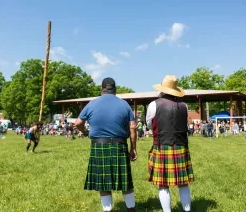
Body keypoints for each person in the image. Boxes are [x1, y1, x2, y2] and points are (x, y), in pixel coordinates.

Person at [75, 77, 137, 212]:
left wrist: (85, 131)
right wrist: (133, 148)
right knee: (125, 182)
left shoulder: (92, 104)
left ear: (101, 89)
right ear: (115, 89)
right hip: (119, 146)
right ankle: (131, 209)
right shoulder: (124, 104)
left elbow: (78, 123)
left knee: (103, 183)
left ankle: (107, 210)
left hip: (99, 147)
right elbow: (132, 127)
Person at [146, 75, 194, 212]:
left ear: (162, 89)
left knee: (163, 184)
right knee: (183, 183)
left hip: (162, 146)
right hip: (181, 145)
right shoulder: (184, 105)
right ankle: (187, 210)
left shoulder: (154, 104)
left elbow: (149, 124)